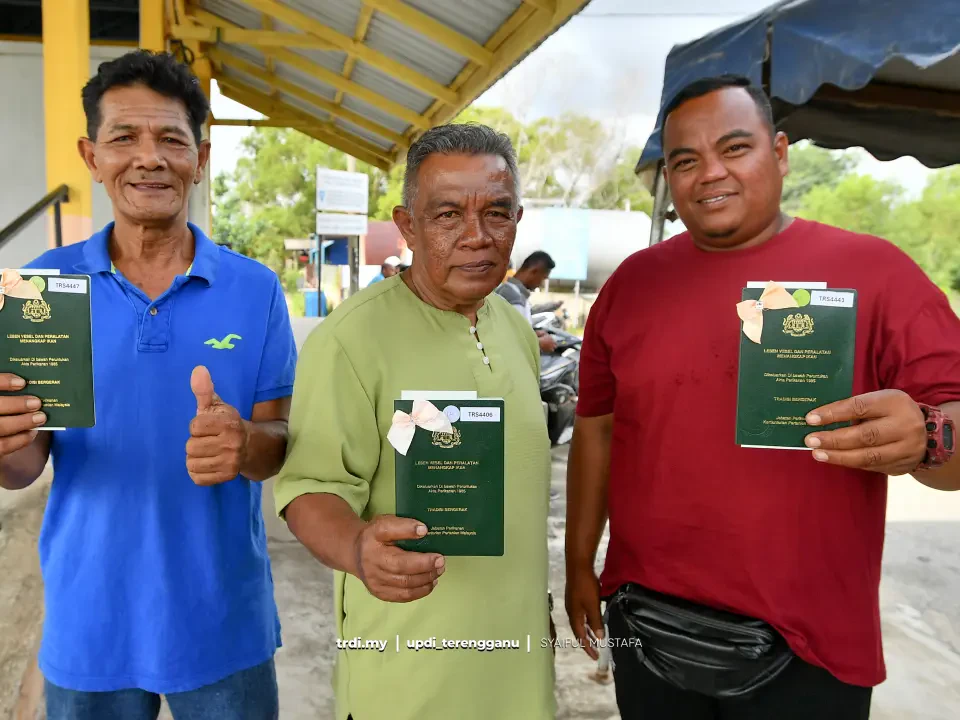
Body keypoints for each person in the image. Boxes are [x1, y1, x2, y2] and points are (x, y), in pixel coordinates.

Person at [565, 74, 960, 720]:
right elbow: (596, 428)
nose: (710, 174)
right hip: (649, 626)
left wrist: (928, 435)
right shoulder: (632, 285)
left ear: (779, 153)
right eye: (685, 161)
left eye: (734, 148)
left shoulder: (877, 273)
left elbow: (952, 434)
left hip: (808, 646)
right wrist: (579, 561)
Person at [0, 50, 296, 719]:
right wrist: (4, 441)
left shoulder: (255, 290)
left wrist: (245, 443)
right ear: (91, 156)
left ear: (201, 157)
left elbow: (275, 443)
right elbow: (24, 466)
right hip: (89, 621)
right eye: (124, 137)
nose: (149, 158)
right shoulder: (41, 288)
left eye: (171, 139)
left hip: (223, 620)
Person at [273, 123, 555, 720]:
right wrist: (358, 548)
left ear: (517, 220)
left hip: (517, 668)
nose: (477, 236)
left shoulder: (514, 329)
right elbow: (310, 490)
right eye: (448, 215)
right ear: (408, 226)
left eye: (497, 213)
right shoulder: (351, 341)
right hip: (408, 675)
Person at [496, 250, 558, 352]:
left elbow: (516, 333)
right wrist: (539, 343)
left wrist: (533, 335)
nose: (541, 284)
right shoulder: (514, 298)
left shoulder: (507, 290)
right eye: (543, 278)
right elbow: (510, 341)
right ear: (534, 271)